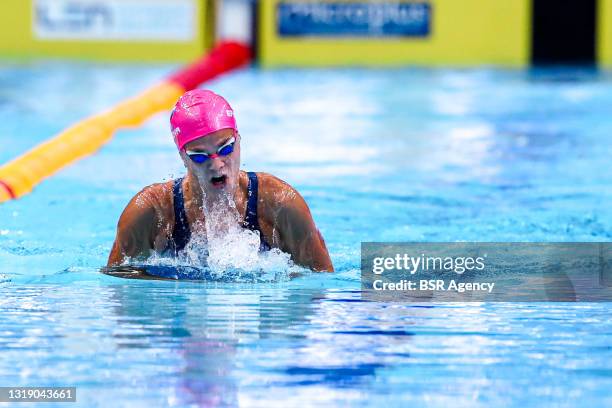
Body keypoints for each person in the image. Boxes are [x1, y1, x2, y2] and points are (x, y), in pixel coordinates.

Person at [107, 89, 334, 272]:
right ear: (183, 157)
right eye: (199, 156)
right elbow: (116, 294)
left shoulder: (280, 204)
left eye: (225, 148)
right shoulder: (151, 213)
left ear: (239, 140)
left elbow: (325, 285)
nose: (216, 165)